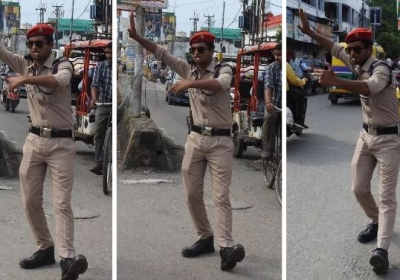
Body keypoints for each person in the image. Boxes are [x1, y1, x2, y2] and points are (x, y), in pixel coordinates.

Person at [128, 12, 245, 271]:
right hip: (195, 139)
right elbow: (161, 52)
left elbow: (220, 84)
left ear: (211, 51)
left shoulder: (223, 68)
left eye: (200, 49)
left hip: (220, 141)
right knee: (192, 194)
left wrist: (188, 83)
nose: (195, 53)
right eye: (192, 50)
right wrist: (137, 37)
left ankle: (227, 247)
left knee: (221, 196)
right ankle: (205, 237)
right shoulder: (187, 68)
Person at [299, 8, 400, 275]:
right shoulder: (355, 61)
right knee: (358, 187)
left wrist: (335, 81)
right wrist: (310, 32)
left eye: (356, 49)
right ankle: (376, 221)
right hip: (366, 136)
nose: (351, 54)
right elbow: (333, 46)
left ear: (369, 49)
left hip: (389, 138)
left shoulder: (382, 69)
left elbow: (368, 88)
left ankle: (382, 251)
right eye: (350, 50)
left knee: (387, 197)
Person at [0, 24, 88, 279]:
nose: (34, 49)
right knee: (29, 200)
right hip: (34, 141)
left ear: (50, 45)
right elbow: (3, 53)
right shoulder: (24, 63)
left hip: (61, 143)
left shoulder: (63, 64)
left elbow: (58, 81)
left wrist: (24, 78)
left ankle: (68, 259)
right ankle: (44, 247)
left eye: (40, 44)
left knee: (61, 202)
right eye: (31, 45)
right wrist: (24, 73)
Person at [90, 42, 112, 175]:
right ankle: (99, 162)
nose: (109, 55)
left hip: (117, 105)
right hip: (103, 104)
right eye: (108, 53)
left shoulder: (121, 68)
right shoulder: (101, 66)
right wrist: (94, 99)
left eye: (111, 53)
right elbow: (95, 84)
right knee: (99, 133)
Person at [262, 43, 282, 160]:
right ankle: (268, 150)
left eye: (280, 54)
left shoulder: (288, 67)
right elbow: (268, 86)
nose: (277, 57)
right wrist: (269, 103)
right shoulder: (271, 68)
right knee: (270, 118)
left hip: (286, 107)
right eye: (276, 55)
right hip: (274, 106)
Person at [286, 62, 308, 128]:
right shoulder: (285, 64)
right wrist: (303, 81)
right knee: (301, 96)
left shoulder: (270, 66)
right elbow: (293, 80)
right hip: (285, 92)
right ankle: (298, 121)